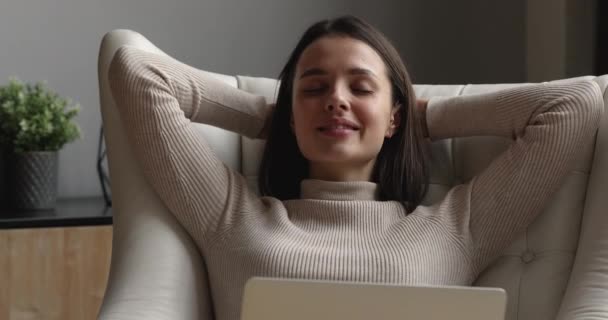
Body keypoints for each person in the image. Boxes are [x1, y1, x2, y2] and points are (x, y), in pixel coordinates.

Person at [108, 15, 603, 320]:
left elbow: (575, 105)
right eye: (314, 88)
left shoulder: (455, 229)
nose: (336, 101)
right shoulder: (231, 216)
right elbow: (138, 72)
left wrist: (419, 118)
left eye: (361, 88)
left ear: (393, 116)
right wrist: (275, 118)